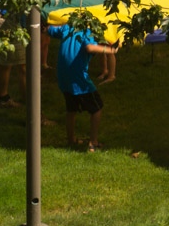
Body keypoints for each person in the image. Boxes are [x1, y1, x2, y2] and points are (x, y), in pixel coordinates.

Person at [46, 21, 119, 152]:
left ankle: (71, 140)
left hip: (63, 77)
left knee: (71, 109)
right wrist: (110, 50)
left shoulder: (68, 27)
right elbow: (90, 48)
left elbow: (49, 30)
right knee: (97, 108)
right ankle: (93, 142)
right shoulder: (88, 31)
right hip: (78, 79)